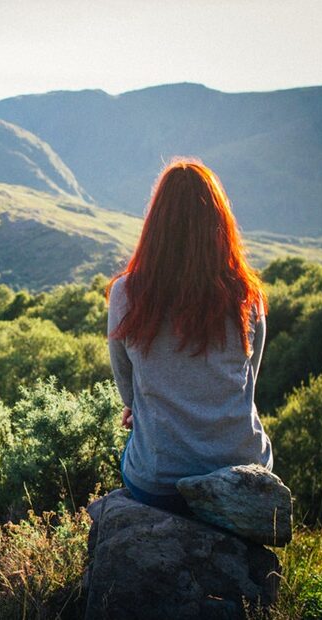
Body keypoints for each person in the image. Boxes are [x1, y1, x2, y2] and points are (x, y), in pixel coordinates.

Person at [106, 158, 272, 514]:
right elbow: (248, 384)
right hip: (242, 468)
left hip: (159, 479)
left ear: (156, 224)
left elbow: (128, 390)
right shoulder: (247, 295)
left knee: (135, 449)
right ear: (220, 224)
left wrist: (146, 409)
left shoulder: (126, 293)